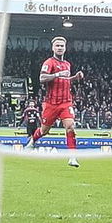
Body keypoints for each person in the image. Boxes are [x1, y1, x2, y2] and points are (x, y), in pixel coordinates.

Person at [28, 36, 85, 167]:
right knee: (44, 131)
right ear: (53, 48)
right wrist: (57, 74)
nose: (60, 48)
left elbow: (65, 79)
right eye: (57, 46)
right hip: (51, 103)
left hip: (66, 102)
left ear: (65, 48)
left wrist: (75, 78)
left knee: (70, 126)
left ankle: (72, 157)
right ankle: (32, 140)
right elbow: (42, 78)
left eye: (62, 46)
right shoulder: (49, 62)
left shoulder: (67, 64)